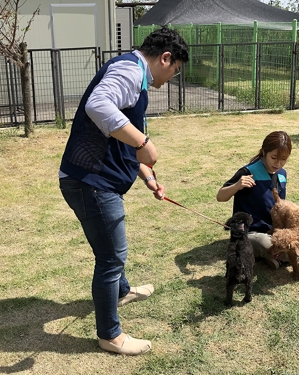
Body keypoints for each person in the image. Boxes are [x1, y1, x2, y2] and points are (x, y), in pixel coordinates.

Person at [58, 27, 189, 355]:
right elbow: (98, 105)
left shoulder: (134, 75)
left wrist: (146, 175)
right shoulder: (130, 70)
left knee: (112, 251)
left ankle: (122, 292)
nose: (171, 78)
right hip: (90, 183)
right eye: (174, 71)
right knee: (111, 257)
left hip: (96, 181)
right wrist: (145, 143)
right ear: (165, 58)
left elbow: (117, 137)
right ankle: (110, 336)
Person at [216, 131, 299, 269]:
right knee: (263, 242)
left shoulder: (282, 174)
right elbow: (220, 196)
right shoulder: (248, 172)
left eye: (284, 159)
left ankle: (284, 253)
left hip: (278, 231)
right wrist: (237, 185)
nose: (278, 163)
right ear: (264, 152)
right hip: (253, 232)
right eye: (274, 157)